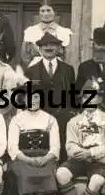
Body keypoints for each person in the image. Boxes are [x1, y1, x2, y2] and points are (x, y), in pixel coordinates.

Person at [5, 81, 60, 195]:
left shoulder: (50, 119)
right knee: (22, 176)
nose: (33, 100)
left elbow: (55, 147)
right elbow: (13, 148)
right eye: (29, 97)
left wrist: (45, 158)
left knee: (49, 175)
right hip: (23, 158)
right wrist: (27, 159)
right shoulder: (17, 119)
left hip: (45, 157)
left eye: (36, 97)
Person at [25, 32, 76, 162]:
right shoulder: (31, 71)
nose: (48, 48)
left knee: (63, 151)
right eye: (44, 45)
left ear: (59, 48)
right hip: (40, 118)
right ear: (40, 49)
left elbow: (72, 94)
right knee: (43, 149)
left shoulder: (68, 69)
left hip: (63, 119)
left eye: (52, 45)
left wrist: (70, 113)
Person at [21, 0, 73, 70]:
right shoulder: (31, 31)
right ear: (39, 13)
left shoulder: (63, 31)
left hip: (57, 67)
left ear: (54, 12)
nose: (45, 14)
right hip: (36, 67)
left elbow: (68, 56)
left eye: (48, 10)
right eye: (42, 11)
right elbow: (25, 55)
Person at [75, 27, 105, 112]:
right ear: (93, 45)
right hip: (91, 117)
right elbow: (77, 95)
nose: (100, 48)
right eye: (97, 49)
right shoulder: (84, 67)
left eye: (104, 49)